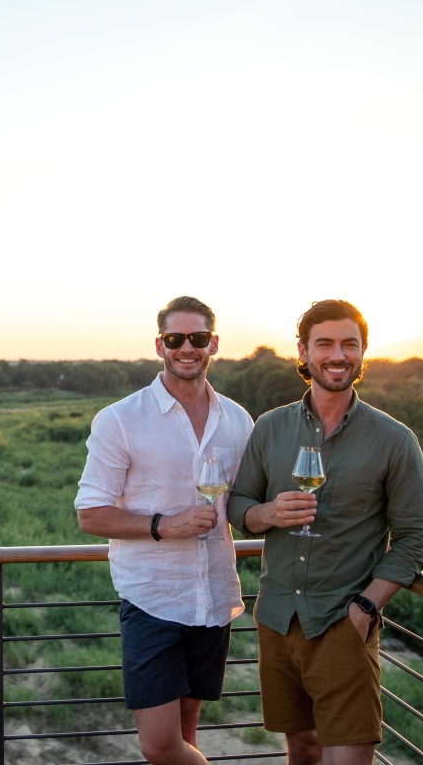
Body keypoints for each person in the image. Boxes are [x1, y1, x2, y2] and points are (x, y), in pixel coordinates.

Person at [226, 299, 423, 765]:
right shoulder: (270, 427)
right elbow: (239, 505)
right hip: (277, 618)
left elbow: (416, 537)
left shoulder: (393, 439)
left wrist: (364, 608)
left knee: (347, 757)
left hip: (342, 621)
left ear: (363, 352)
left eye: (349, 344)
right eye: (325, 344)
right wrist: (269, 515)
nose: (337, 355)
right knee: (301, 749)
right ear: (303, 352)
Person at [75, 295, 255, 765]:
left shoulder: (237, 420)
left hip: (213, 596)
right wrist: (166, 526)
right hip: (152, 598)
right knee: (160, 746)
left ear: (213, 343)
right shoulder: (120, 419)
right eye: (176, 339)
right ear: (160, 345)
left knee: (187, 730)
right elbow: (90, 513)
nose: (187, 348)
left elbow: (241, 503)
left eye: (197, 338)